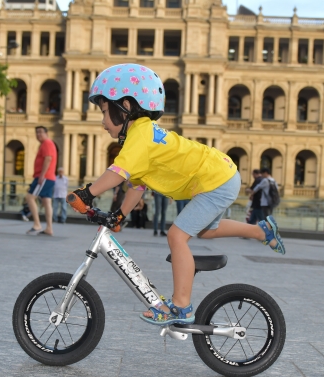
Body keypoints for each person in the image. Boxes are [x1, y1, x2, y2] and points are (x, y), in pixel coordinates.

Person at [67, 63, 284, 325]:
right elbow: (136, 185)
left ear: (124, 106)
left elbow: (117, 172)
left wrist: (87, 194)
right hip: (218, 176)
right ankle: (262, 231)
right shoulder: (140, 136)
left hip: (215, 178)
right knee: (204, 230)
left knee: (176, 235)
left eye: (104, 112)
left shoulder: (141, 133)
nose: (102, 122)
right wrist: (119, 215)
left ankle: (181, 306)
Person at [25, 126, 57, 235]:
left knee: (29, 197)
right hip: (50, 177)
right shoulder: (47, 143)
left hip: (44, 177)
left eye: (40, 132)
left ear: (46, 133)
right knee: (47, 201)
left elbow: (48, 158)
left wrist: (42, 175)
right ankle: (49, 228)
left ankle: (37, 224)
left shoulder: (47, 143)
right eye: (37, 132)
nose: (38, 134)